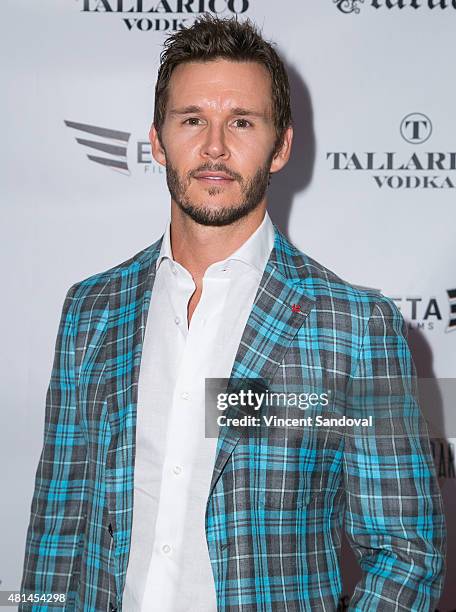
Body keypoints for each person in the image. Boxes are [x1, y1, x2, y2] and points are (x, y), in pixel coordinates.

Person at [20, 14, 446, 612]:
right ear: (157, 138)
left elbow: (407, 555)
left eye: (241, 122)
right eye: (193, 120)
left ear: (281, 146)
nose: (214, 146)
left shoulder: (353, 327)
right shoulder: (91, 310)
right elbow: (55, 534)